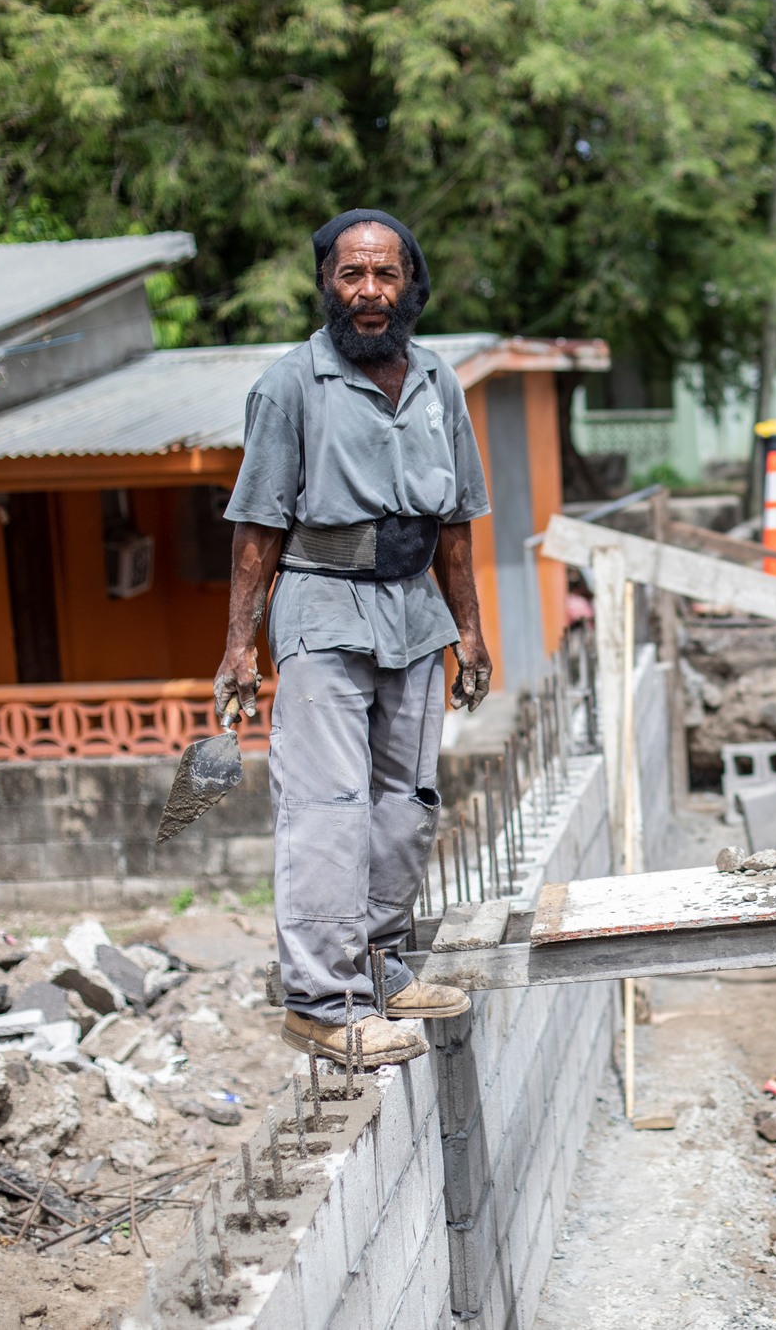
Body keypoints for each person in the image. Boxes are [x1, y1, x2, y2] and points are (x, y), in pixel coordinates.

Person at [214, 209, 493, 1066]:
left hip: (415, 612)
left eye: (384, 275)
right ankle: (320, 1002)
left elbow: (455, 521)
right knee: (325, 814)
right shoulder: (290, 385)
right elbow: (257, 527)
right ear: (327, 284)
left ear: (410, 282)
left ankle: (379, 965)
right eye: (351, 276)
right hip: (322, 610)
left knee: (404, 806)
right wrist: (239, 647)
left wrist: (471, 630)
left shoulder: (439, 380)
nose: (369, 293)